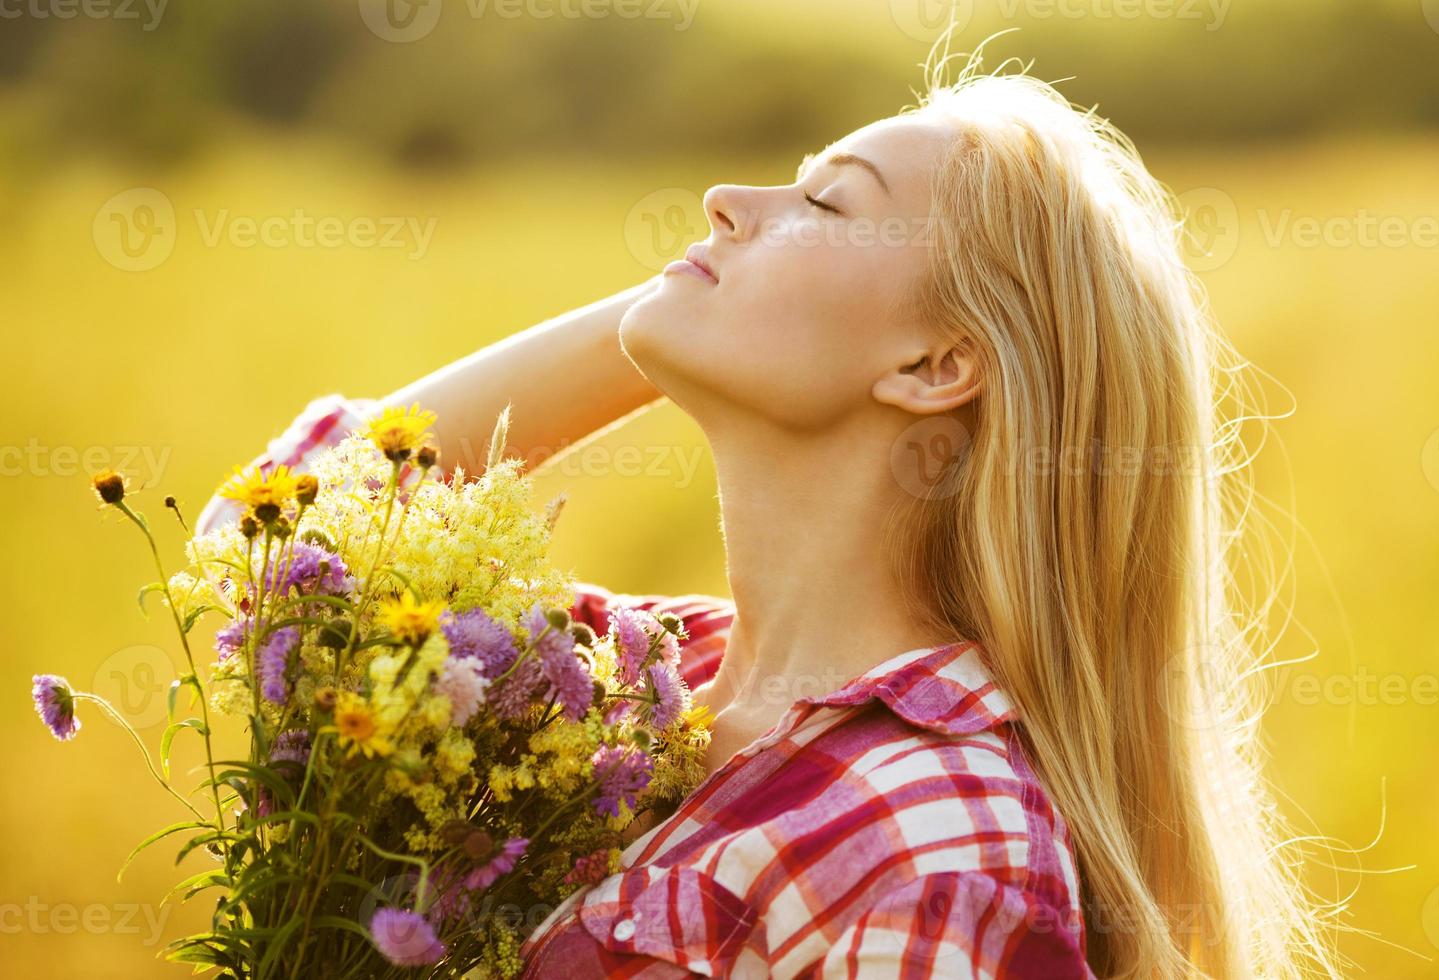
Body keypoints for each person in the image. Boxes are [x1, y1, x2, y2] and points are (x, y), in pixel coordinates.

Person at [196, 50, 1341, 980]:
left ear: (939, 361)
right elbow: (281, 544)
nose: (724, 200)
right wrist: (675, 304)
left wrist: (709, 298)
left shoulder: (936, 854)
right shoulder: (632, 682)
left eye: (827, 198)